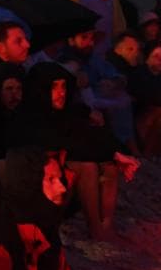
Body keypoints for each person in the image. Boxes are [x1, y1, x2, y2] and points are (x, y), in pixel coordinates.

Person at [11, 63, 139, 241]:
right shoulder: (30, 115)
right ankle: (96, 229)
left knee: (108, 165)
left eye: (63, 86)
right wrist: (112, 153)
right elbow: (64, 145)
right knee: (87, 166)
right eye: (54, 87)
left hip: (61, 173)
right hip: (39, 180)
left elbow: (88, 135)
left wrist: (116, 153)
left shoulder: (66, 112)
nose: (61, 92)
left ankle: (106, 226)